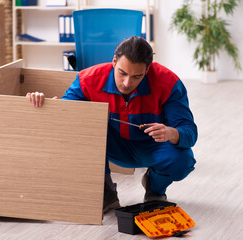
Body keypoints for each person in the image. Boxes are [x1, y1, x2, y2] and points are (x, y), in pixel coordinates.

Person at [26, 36, 197, 213]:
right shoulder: (88, 79)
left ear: (147, 70)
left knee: (182, 161)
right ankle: (107, 193)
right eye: (122, 73)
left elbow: (190, 131)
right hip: (111, 145)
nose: (126, 83)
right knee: (83, 130)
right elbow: (67, 115)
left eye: (136, 76)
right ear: (114, 61)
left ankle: (155, 188)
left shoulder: (169, 82)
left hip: (153, 147)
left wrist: (171, 133)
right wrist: (49, 105)